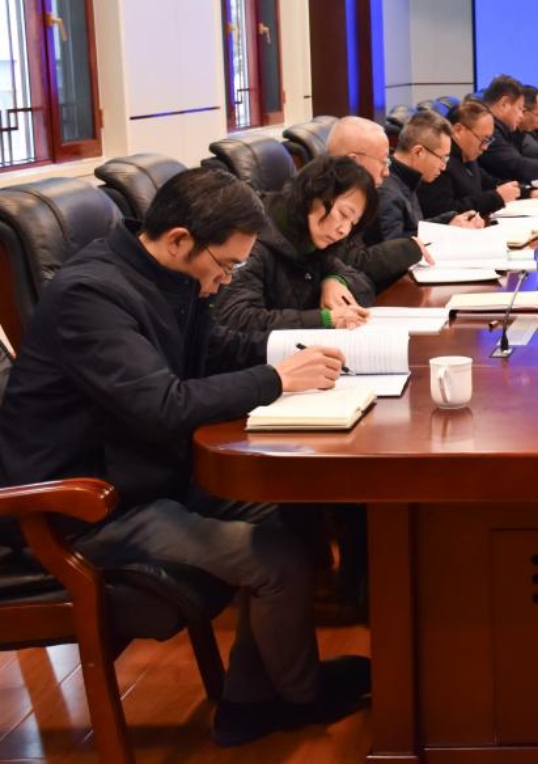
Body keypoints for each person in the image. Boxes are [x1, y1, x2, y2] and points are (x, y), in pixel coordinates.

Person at [0, 168, 368, 747]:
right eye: (225, 266)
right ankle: (299, 696)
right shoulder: (90, 296)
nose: (225, 281)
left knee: (293, 507)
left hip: (149, 476)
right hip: (90, 507)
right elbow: (163, 405)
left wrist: (307, 352)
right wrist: (277, 379)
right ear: (179, 240)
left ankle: (252, 699)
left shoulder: (170, 276)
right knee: (275, 559)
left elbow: (218, 349)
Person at [214, 156, 378, 335]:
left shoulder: (311, 241)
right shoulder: (252, 243)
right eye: (344, 214)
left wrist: (335, 281)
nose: (344, 230)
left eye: (352, 223)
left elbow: (364, 283)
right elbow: (234, 318)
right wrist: (324, 318)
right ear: (314, 194)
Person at [325, 116, 425, 291]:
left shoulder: (354, 193)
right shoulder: (324, 199)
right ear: (353, 161)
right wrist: (409, 249)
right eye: (383, 161)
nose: (387, 172)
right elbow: (354, 263)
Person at [379, 111, 485, 242]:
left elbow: (414, 228)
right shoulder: (388, 192)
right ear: (419, 152)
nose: (444, 167)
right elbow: (392, 246)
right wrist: (448, 231)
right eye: (442, 158)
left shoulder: (407, 177)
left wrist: (450, 220)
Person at [418, 98, 521, 221]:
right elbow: (444, 211)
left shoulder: (467, 155)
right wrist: (496, 197)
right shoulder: (439, 160)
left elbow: (489, 183)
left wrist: (523, 191)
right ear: (458, 130)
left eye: (489, 140)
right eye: (483, 139)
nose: (485, 147)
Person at [478, 75, 538, 185]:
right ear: (504, 104)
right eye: (519, 108)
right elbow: (514, 165)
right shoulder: (488, 129)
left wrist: (526, 191)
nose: (521, 115)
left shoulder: (504, 129)